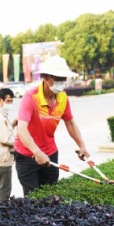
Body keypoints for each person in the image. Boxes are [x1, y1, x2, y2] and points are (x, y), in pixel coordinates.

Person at [14, 55, 90, 196]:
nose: (62, 82)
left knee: (50, 196)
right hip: (27, 155)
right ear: (46, 77)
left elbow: (70, 123)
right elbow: (22, 130)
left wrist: (82, 146)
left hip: (50, 153)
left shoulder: (63, 97)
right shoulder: (30, 98)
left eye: (64, 78)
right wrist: (37, 152)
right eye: (58, 78)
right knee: (33, 198)